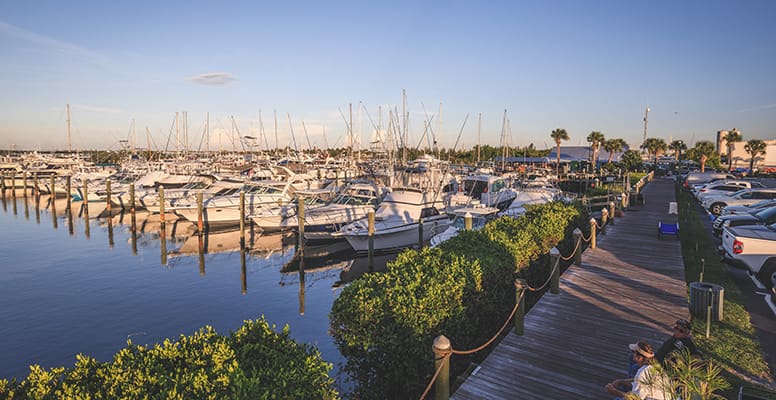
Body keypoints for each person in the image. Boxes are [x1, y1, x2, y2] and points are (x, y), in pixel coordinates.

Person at [606, 341, 672, 400]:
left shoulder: (643, 372)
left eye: (633, 352)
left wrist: (614, 391)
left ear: (640, 357)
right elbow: (639, 382)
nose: (632, 355)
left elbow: (636, 398)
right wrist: (621, 381)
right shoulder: (656, 366)